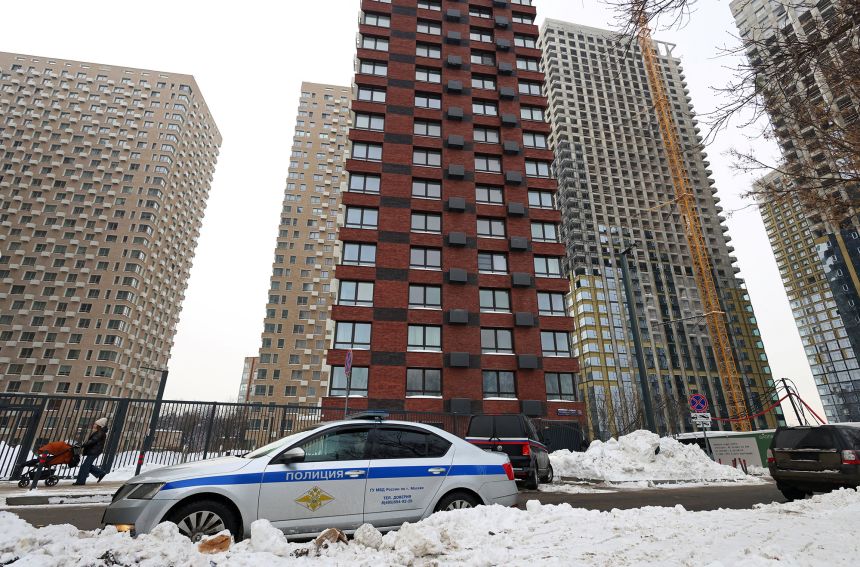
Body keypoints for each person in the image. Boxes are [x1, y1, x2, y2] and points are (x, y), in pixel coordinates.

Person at [74, 418, 108, 485]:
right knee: (86, 465)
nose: (94, 425)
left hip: (94, 451)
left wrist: (82, 445)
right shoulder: (99, 432)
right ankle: (100, 473)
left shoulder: (100, 433)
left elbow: (93, 441)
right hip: (94, 451)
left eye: (96, 424)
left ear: (99, 425)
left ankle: (80, 482)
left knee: (85, 466)